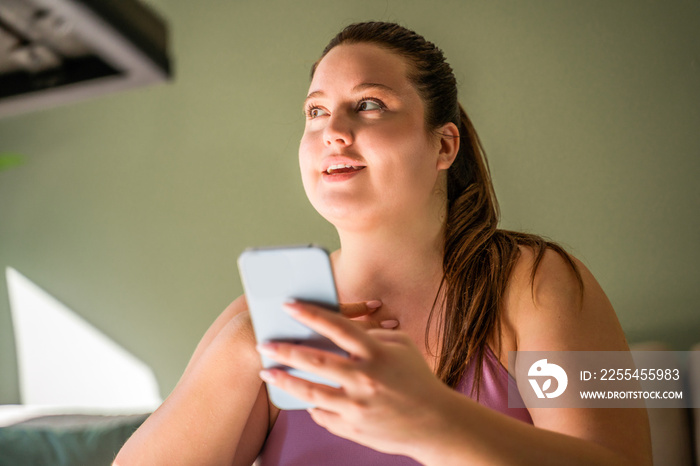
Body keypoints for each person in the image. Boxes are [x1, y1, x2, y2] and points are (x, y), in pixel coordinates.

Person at [115, 22, 652, 465]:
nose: (333, 130)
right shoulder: (261, 320)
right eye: (316, 111)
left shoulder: (540, 281)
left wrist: (437, 424)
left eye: (369, 104)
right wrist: (239, 352)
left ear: (443, 145)